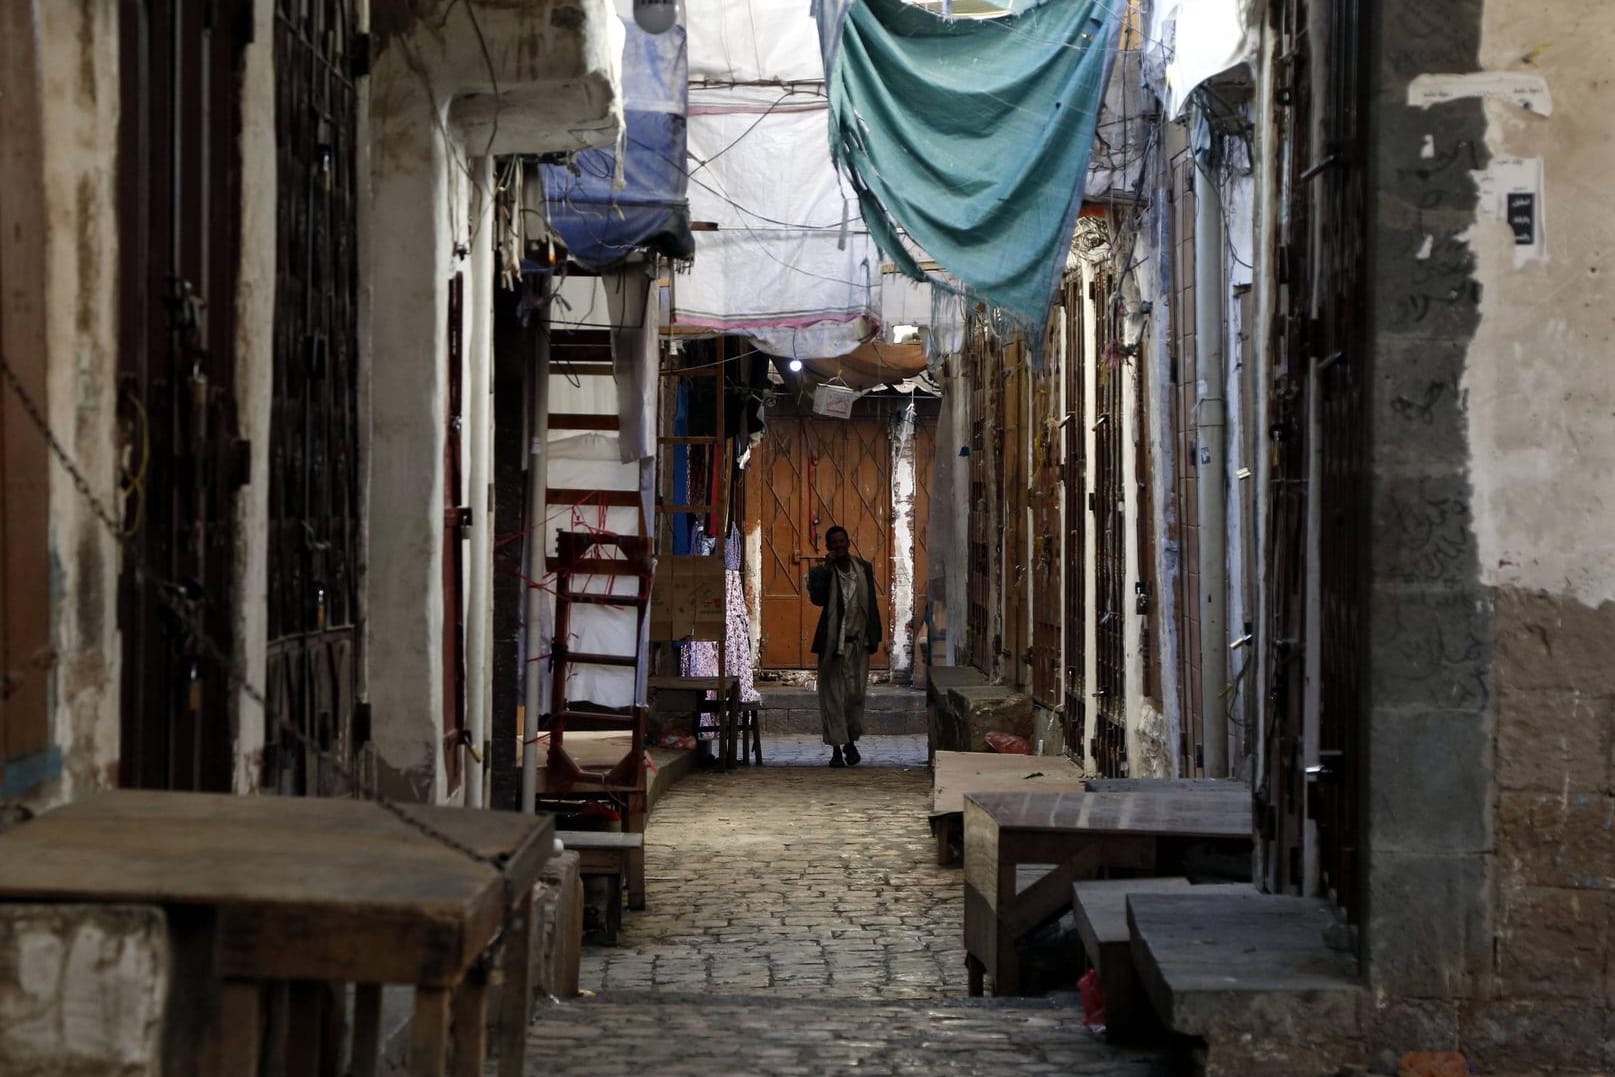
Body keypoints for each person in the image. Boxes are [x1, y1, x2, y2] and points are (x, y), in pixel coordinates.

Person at [806, 525, 882, 767]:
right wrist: (827, 569)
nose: (839, 546)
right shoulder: (824, 573)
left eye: (842, 541)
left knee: (853, 697)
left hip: (857, 645)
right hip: (832, 646)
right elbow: (817, 598)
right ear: (828, 547)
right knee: (833, 698)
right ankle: (838, 749)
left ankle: (850, 741)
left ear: (848, 542)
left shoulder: (863, 569)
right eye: (834, 543)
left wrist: (874, 637)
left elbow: (870, 605)